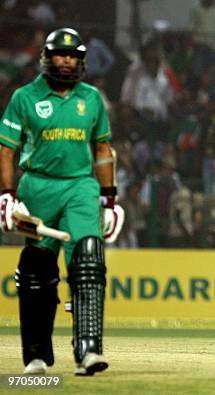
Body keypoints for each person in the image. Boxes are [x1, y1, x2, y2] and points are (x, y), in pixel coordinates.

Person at [0, 28, 123, 375]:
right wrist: (7, 197)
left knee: (88, 263)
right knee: (37, 273)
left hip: (81, 187)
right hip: (37, 186)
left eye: (73, 56)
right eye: (60, 54)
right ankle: (37, 356)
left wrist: (110, 199)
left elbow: (102, 150)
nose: (67, 61)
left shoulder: (92, 98)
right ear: (46, 58)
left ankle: (88, 352)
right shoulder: (24, 98)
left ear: (81, 61)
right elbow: (6, 150)